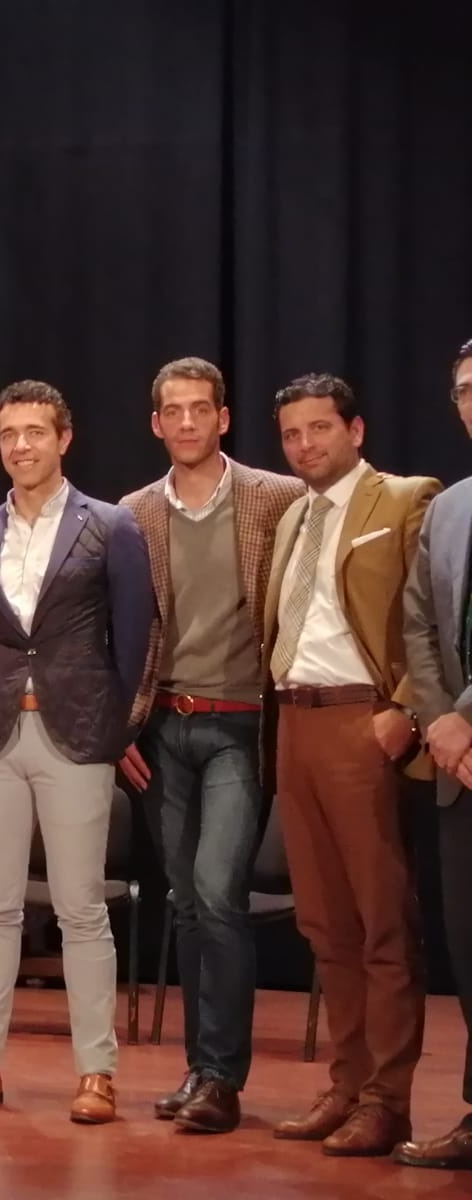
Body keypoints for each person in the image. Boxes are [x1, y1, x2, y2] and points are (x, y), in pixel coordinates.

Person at [0, 380, 151, 1124]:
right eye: (8, 434)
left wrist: (111, 723)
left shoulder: (111, 525)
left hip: (79, 732)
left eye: (35, 431)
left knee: (81, 908)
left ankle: (96, 1072)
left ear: (64, 438)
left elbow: (134, 636)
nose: (20, 445)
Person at [117, 357, 304, 1132]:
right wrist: (119, 728)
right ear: (156, 423)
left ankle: (223, 1080)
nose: (187, 421)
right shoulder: (133, 513)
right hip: (163, 726)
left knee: (219, 893)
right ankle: (200, 1069)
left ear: (223, 418)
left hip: (239, 723)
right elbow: (117, 630)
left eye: (201, 408)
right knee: (187, 903)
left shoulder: (277, 497)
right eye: (174, 410)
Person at [263, 373, 437, 1156]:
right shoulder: (292, 517)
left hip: (362, 720)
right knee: (324, 922)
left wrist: (405, 708)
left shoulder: (403, 500)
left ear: (355, 430)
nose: (305, 444)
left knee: (380, 920)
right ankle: (347, 1083)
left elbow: (430, 616)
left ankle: (387, 1100)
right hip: (294, 722)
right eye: (292, 433)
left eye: (320, 428)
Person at [398, 337, 472, 1171]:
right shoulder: (449, 509)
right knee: (468, 944)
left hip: (463, 736)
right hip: (457, 764)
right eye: (464, 390)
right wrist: (439, 720)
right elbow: (416, 622)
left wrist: (463, 716)